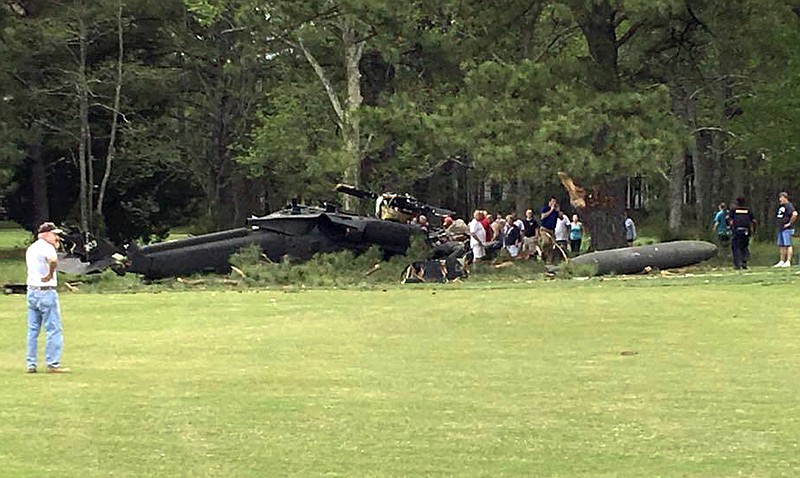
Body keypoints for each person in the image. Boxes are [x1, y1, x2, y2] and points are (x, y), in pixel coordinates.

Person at [26, 222, 69, 374]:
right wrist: (50, 274)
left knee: (33, 330)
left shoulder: (32, 248)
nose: (57, 237)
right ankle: (52, 364)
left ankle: (31, 363)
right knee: (54, 328)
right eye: (54, 234)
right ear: (45, 234)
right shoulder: (46, 247)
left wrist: (56, 244)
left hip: (32, 291)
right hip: (46, 291)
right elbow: (53, 260)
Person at [730, 197, 756, 270]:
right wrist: (753, 230)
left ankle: (737, 264)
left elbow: (730, 221)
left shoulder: (734, 210)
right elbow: (754, 221)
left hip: (737, 231)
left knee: (735, 247)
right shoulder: (748, 210)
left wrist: (731, 229)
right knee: (744, 247)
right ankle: (744, 262)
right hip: (746, 231)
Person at [774, 192, 797, 267]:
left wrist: (789, 223)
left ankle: (788, 261)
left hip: (787, 229)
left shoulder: (789, 206)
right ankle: (782, 260)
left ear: (785, 198)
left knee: (788, 244)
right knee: (781, 245)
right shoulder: (781, 206)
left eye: (781, 198)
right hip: (781, 228)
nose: (780, 199)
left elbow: (795, 214)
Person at [539, 197, 559, 263]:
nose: (554, 203)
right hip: (545, 229)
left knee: (551, 245)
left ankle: (549, 260)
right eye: (553, 202)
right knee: (546, 242)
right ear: (549, 202)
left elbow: (561, 217)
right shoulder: (545, 208)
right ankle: (542, 253)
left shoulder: (555, 211)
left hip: (552, 230)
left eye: (555, 202)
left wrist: (558, 211)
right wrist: (551, 210)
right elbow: (542, 217)